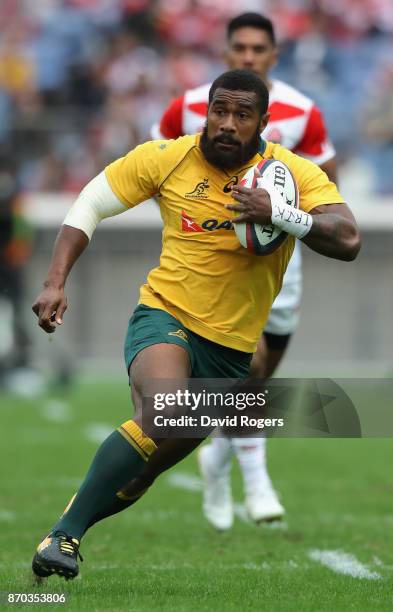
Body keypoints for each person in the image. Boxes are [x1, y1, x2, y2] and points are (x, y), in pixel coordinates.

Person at [31, 69, 360, 580]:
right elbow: (91, 201)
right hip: (165, 316)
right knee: (165, 412)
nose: (227, 124)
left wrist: (282, 213)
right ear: (206, 112)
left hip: (229, 351)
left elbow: (348, 239)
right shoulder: (168, 157)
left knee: (142, 475)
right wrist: (55, 281)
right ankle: (66, 535)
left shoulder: (291, 175)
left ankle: (63, 534)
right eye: (219, 111)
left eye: (242, 115)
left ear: (264, 123)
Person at [152, 12, 338, 528]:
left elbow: (327, 186)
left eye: (259, 48)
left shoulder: (303, 112)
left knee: (256, 380)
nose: (249, 56)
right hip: (212, 262)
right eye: (241, 47)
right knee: (243, 372)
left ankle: (217, 461)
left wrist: (289, 221)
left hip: (280, 264)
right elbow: (156, 163)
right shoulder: (188, 107)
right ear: (225, 52)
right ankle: (256, 482)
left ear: (274, 55)